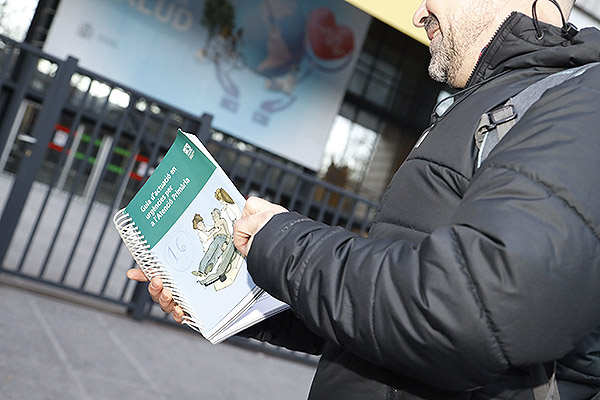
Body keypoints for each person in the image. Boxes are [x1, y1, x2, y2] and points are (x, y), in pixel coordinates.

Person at [127, 0, 600, 398]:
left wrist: (284, 243)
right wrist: (238, 297)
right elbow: (388, 307)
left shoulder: (582, 102)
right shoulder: (492, 101)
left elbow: (474, 312)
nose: (419, 14)